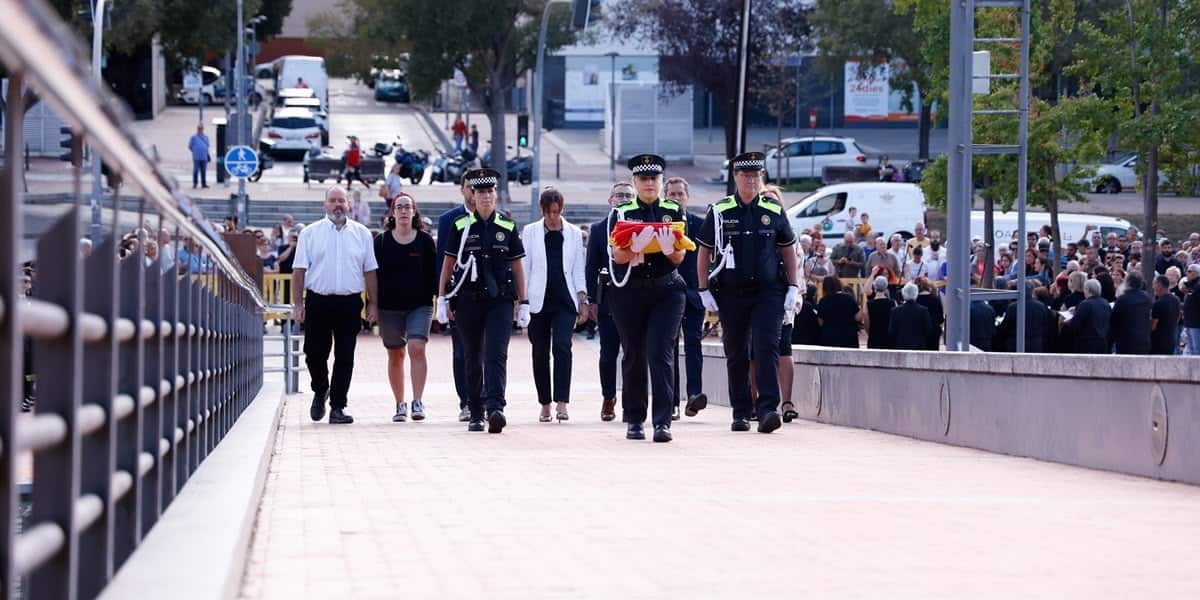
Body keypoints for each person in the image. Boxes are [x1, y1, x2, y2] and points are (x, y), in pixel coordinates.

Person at [696, 152, 797, 434]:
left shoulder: (773, 210)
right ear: (736, 177)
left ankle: (767, 410)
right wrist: (703, 288)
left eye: (756, 175)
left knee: (766, 347)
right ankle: (741, 411)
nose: (751, 180)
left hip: (768, 292)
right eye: (746, 175)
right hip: (732, 292)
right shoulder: (720, 211)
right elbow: (704, 251)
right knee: (736, 351)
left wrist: (793, 285)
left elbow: (788, 248)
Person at [436, 168, 528, 433]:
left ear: (496, 195)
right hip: (467, 300)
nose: (486, 196)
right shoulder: (460, 227)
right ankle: (476, 411)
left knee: (497, 353)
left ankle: (496, 407)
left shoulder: (507, 226)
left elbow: (517, 267)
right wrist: (442, 299)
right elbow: (448, 263)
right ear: (472, 196)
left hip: (499, 300)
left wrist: (524, 302)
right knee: (472, 356)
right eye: (481, 192)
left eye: (490, 191)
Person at [607, 154, 687, 443]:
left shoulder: (673, 211)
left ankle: (662, 422)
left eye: (654, 178)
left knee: (661, 354)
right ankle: (635, 419)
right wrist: (637, 246)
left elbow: (679, 257)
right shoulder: (623, 213)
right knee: (634, 355)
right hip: (630, 291)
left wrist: (664, 247)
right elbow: (618, 255)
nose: (649, 184)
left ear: (662, 181)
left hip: (667, 291)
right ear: (635, 182)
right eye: (643, 179)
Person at [292, 186, 380, 425]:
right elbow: (299, 271)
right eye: (333, 201)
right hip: (318, 301)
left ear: (349, 204)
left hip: (350, 302)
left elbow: (370, 271)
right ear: (325, 205)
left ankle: (338, 406)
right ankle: (321, 390)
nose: (337, 205)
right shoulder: (309, 233)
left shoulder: (362, 234)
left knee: (345, 356)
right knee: (313, 353)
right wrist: (297, 304)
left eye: (342, 201)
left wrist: (373, 303)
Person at [522, 188, 587, 422]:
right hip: (538, 300)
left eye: (556, 212)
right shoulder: (530, 232)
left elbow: (578, 267)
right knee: (539, 353)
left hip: (564, 299)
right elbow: (525, 267)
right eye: (549, 212)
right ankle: (545, 404)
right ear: (542, 211)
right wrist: (522, 302)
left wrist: (583, 298)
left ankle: (562, 402)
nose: (552, 217)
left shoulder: (573, 233)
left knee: (562, 347)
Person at [375, 193, 437, 422]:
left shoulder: (425, 240)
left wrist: (441, 300)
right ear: (393, 212)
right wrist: (372, 303)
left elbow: (435, 273)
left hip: (419, 304)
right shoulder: (381, 242)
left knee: (416, 347)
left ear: (414, 212)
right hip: (389, 306)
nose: (403, 211)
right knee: (395, 353)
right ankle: (400, 403)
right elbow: (374, 275)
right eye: (399, 207)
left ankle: (417, 400)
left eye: (407, 207)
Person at [585, 182, 633, 421]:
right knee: (608, 353)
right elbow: (591, 266)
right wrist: (591, 299)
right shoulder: (599, 228)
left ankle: (631, 400)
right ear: (610, 200)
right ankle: (608, 397)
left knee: (633, 353)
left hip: (636, 298)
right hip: (609, 298)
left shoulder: (639, 223)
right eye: (619, 195)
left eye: (628, 195)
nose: (623, 199)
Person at [666, 176, 708, 420]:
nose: (676, 198)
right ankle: (671, 401)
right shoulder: (661, 224)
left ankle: (694, 395)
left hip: (693, 294)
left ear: (687, 197)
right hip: (668, 294)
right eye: (671, 194)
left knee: (693, 344)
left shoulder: (700, 225)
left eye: (680, 194)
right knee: (668, 348)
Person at [435, 176, 475, 421]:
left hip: (488, 295)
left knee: (486, 352)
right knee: (461, 352)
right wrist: (443, 298)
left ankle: (486, 399)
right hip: (458, 295)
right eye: (470, 187)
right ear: (462, 190)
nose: (474, 192)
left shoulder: (496, 217)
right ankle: (466, 402)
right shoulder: (448, 220)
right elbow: (443, 262)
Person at [996, 282, 1051, 352]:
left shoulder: (1013, 307)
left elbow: (1005, 327)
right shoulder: (1041, 306)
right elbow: (1046, 326)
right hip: (1035, 344)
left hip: (1015, 344)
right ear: (1032, 291)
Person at [1064, 279, 1111, 354]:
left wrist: (1068, 321)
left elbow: (1075, 324)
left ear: (1087, 289)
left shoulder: (1085, 304)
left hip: (1087, 344)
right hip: (1102, 342)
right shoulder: (1105, 303)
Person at [1110, 271, 1152, 355]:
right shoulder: (1146, 298)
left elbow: (1113, 321)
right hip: (1144, 340)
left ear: (1128, 283)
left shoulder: (1122, 299)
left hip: (1126, 341)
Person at [816, 275, 860, 348]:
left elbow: (820, 322)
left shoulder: (823, 301)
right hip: (849, 337)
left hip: (829, 338)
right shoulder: (849, 298)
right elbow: (858, 317)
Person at [889, 282, 933, 350]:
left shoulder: (895, 311)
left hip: (901, 346)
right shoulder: (923, 310)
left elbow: (892, 331)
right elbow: (928, 330)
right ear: (916, 294)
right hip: (919, 346)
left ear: (903, 294)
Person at [1150, 274, 1181, 355]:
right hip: (1171, 340)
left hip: (1158, 343)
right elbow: (1178, 317)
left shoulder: (1158, 303)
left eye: (1154, 284)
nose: (1153, 287)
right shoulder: (1176, 300)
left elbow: (1153, 326)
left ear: (1159, 285)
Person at [864, 276, 895, 349]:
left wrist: (871, 333)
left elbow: (866, 323)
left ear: (874, 287)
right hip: (889, 339)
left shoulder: (868, 304)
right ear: (886, 287)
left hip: (874, 337)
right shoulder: (893, 303)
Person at [914, 277, 944, 350]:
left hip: (919, 332)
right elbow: (940, 318)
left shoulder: (915, 300)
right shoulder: (935, 299)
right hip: (934, 331)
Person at [1183, 264, 1200, 355]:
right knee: (1191, 350)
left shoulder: (1198, 286)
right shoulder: (1192, 286)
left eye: (1189, 271)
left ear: (1196, 273)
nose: (1187, 273)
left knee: (1197, 350)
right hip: (1189, 323)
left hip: (1196, 324)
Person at [188, 124, 211, 189]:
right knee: (196, 170)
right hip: (196, 157)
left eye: (201, 129)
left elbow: (207, 146)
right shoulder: (193, 137)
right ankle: (195, 183)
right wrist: (195, 151)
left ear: (203, 129)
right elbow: (190, 146)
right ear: (197, 129)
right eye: (199, 129)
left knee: (203, 171)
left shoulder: (206, 137)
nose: (200, 130)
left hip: (204, 157)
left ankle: (203, 184)